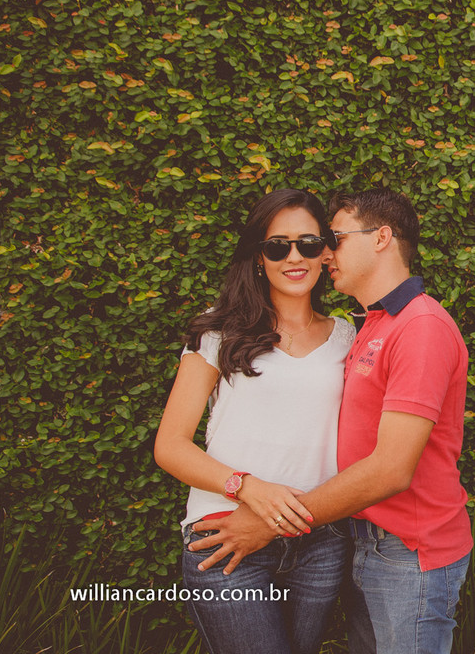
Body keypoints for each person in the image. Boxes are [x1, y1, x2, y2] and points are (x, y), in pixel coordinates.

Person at [189, 187, 472, 654]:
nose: (324, 254)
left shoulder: (419, 326)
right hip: (361, 539)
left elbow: (391, 469)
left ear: (381, 238)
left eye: (332, 240)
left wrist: (272, 523)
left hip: (408, 550)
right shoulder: (373, 324)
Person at [155, 188, 356, 654]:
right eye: (277, 246)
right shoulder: (218, 331)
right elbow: (170, 444)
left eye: (308, 244)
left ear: (325, 252)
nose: (294, 257)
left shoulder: (348, 336)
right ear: (258, 257)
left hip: (319, 541)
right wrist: (247, 487)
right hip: (227, 534)